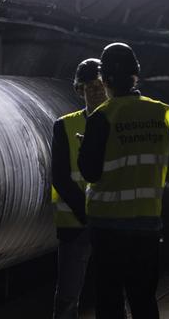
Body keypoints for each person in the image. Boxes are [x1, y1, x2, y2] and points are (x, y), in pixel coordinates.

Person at [78, 43, 169, 319]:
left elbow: (91, 172)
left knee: (110, 299)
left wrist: (88, 147)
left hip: (109, 225)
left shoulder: (102, 117)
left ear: (105, 80)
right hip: (148, 222)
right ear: (136, 76)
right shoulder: (160, 112)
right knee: (143, 298)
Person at [51, 58, 108, 319]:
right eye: (90, 86)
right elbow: (60, 176)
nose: (97, 91)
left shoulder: (118, 123)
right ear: (79, 90)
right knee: (67, 297)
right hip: (75, 224)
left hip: (111, 222)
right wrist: (88, 215)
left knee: (111, 293)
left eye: (101, 85)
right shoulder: (64, 126)